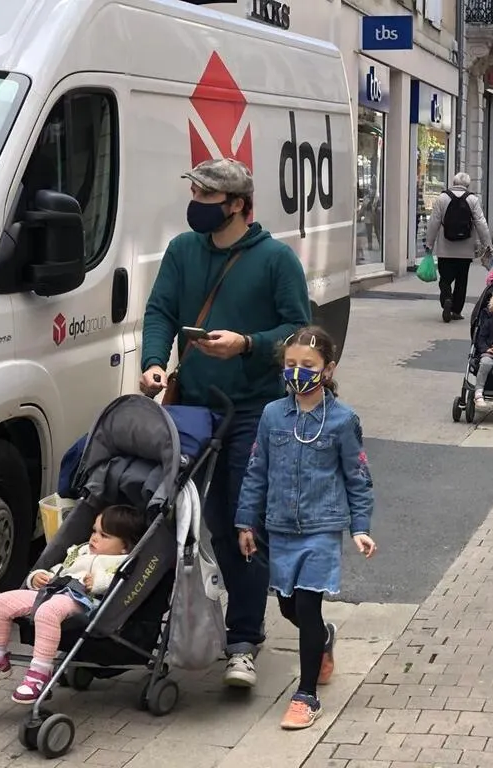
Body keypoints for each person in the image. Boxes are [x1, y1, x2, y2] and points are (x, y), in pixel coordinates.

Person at [139, 158, 312, 688]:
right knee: (197, 520)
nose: (195, 204)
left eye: (206, 197)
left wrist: (248, 344)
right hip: (193, 406)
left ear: (237, 204)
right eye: (194, 193)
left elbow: (299, 332)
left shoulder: (276, 260)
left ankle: (242, 640)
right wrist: (154, 361)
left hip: (252, 410)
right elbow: (160, 311)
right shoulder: (182, 251)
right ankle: (195, 623)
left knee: (243, 523)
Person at [235, 326, 376, 731]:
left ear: (328, 369)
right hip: (280, 528)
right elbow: (256, 471)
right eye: (291, 364)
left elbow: (358, 477)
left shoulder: (343, 420)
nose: (298, 372)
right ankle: (324, 638)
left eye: (308, 365)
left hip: (321, 528)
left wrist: (360, 527)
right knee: (288, 606)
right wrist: (246, 521)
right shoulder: (272, 415)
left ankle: (306, 695)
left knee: (308, 607)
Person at [0, 506, 146, 702]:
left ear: (125, 546)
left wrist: (98, 583)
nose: (94, 538)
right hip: (53, 591)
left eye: (104, 535)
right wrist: (37, 577)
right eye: (94, 531)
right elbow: (60, 569)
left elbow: (123, 585)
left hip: (83, 601)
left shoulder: (122, 562)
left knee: (48, 611)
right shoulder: (80, 551)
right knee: (1, 602)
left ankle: (39, 674)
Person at [425, 172, 493, 323]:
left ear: (453, 182)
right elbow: (481, 223)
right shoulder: (472, 199)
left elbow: (434, 222)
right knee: (462, 280)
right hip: (465, 249)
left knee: (445, 278)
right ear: (468, 185)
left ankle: (446, 299)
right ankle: (456, 310)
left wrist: (429, 243)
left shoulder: (442, 198)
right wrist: (487, 244)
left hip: (445, 248)